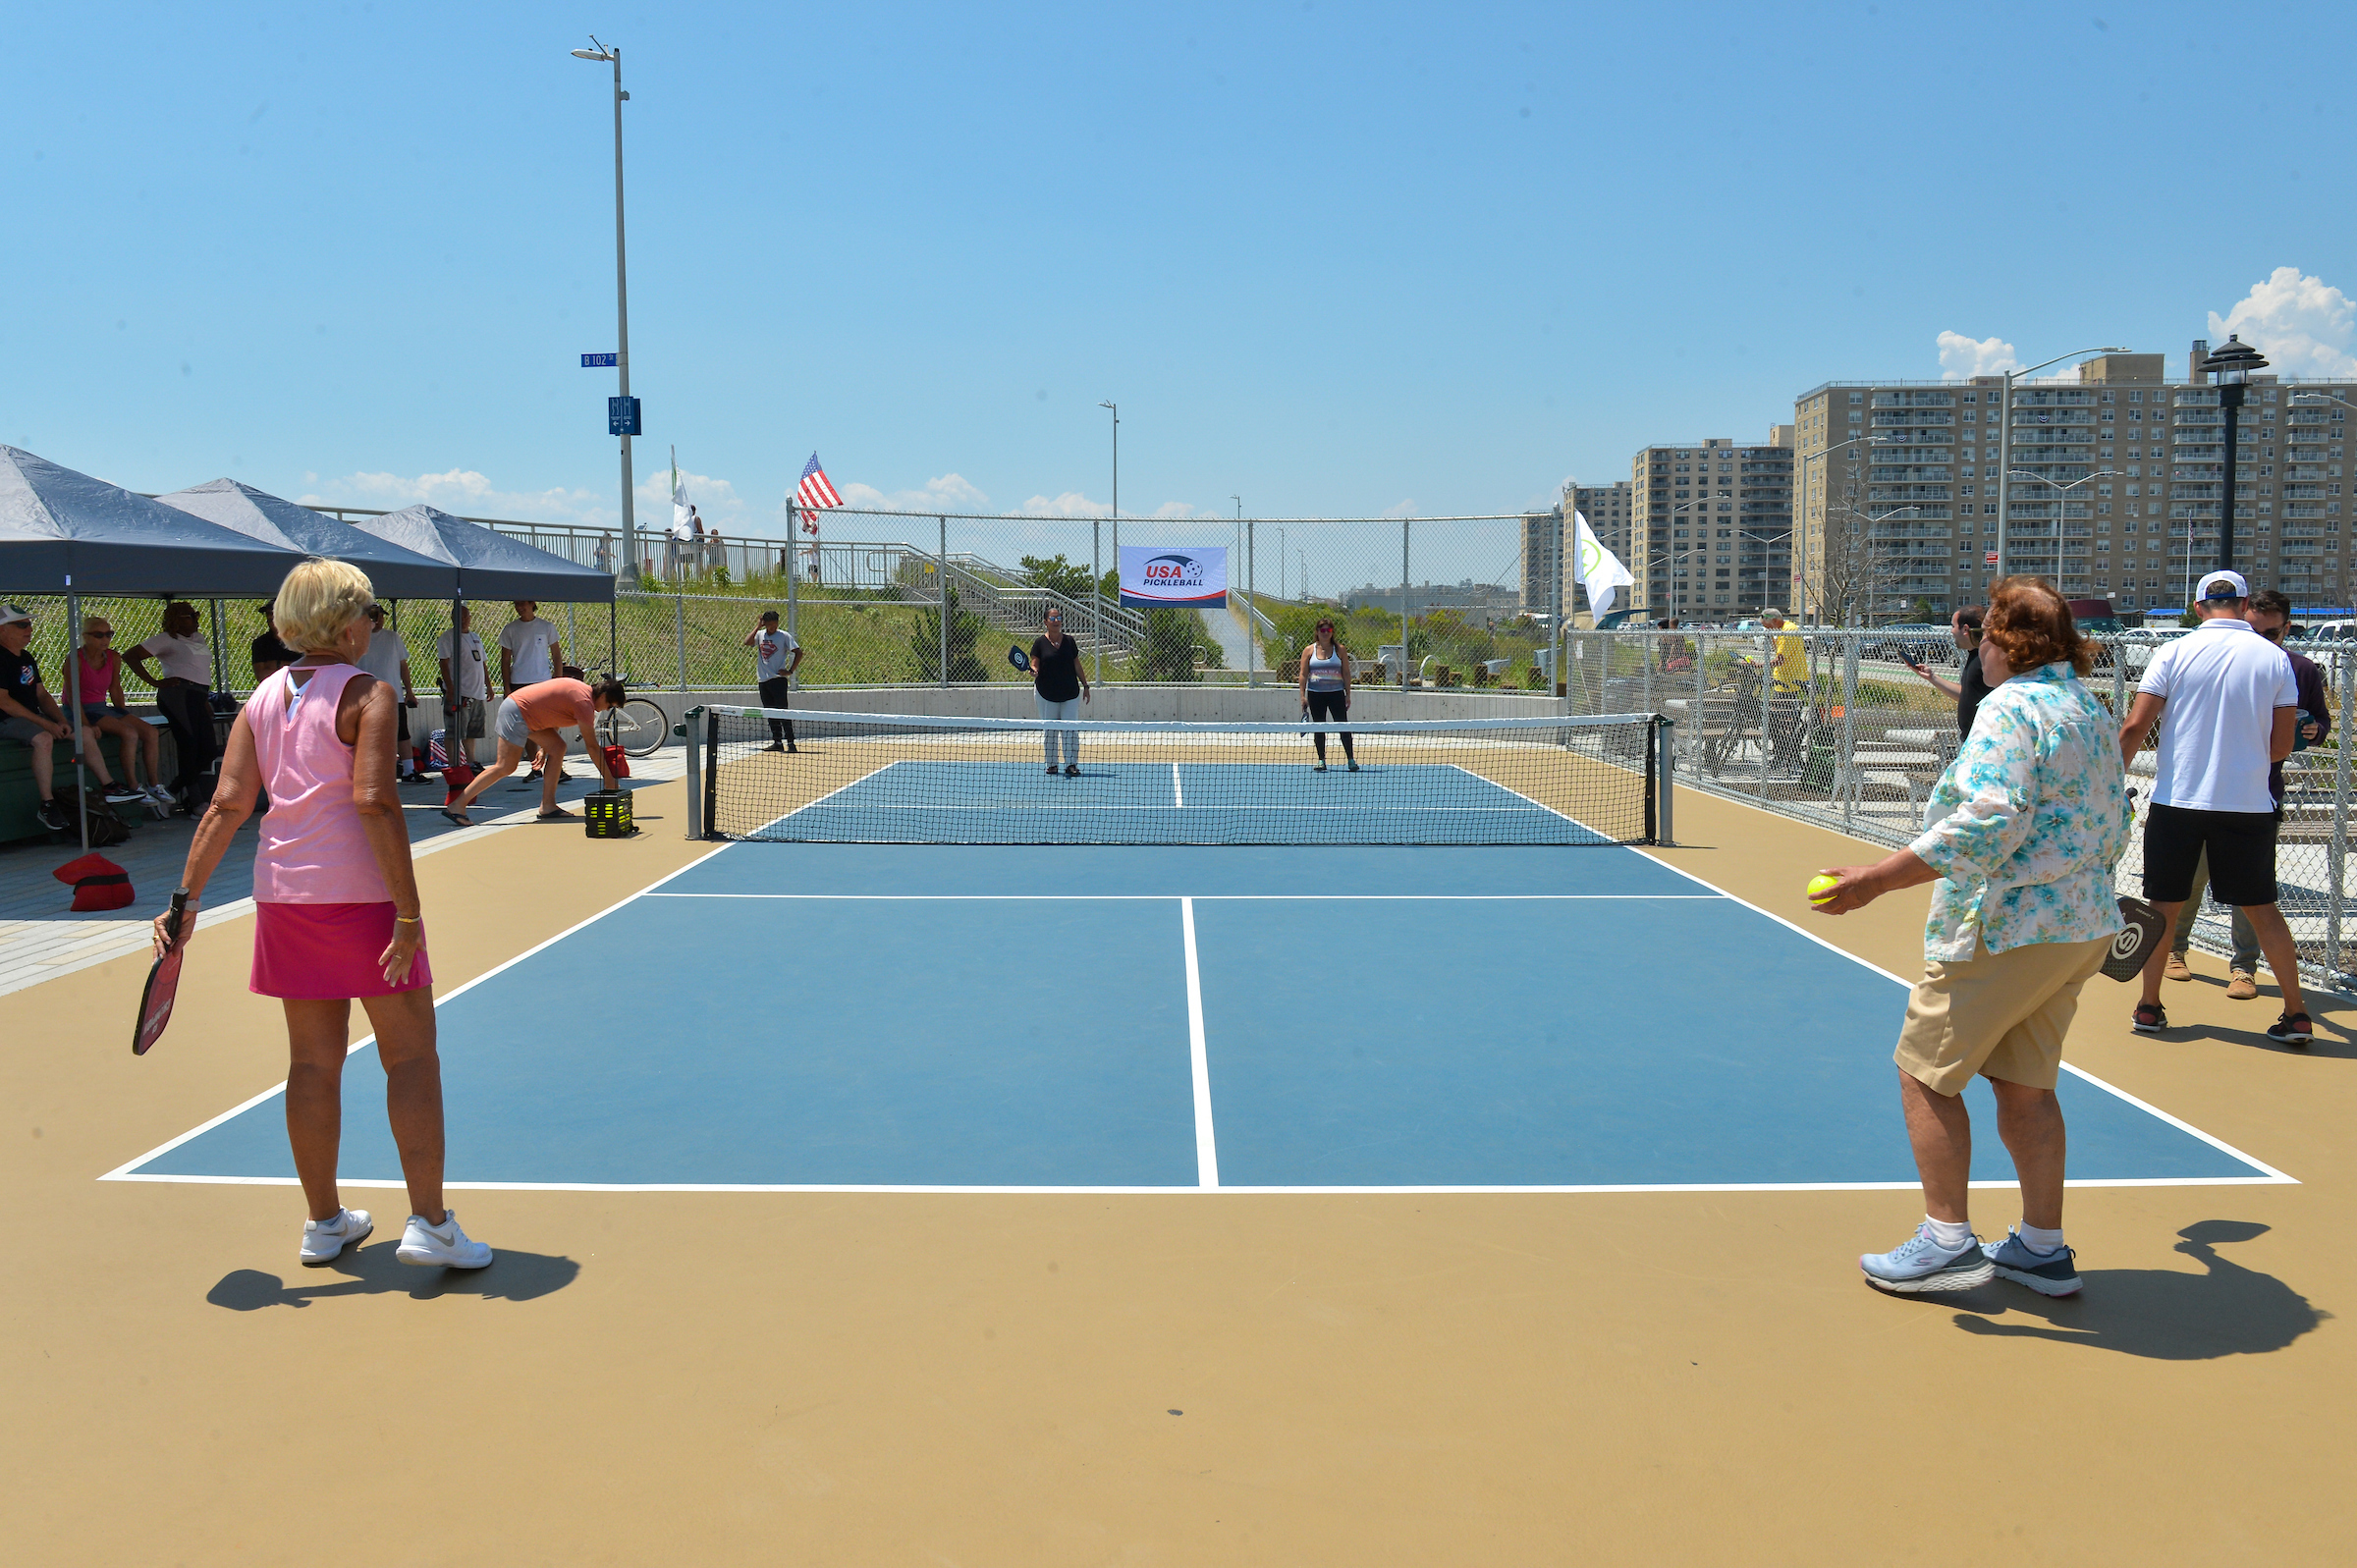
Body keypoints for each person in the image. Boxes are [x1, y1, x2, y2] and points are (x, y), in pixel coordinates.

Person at [156, 557, 491, 1270]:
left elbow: (226, 805)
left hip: (285, 900)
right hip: (364, 903)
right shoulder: (369, 693)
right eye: (371, 612)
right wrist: (408, 912)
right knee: (411, 1058)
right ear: (346, 624)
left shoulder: (260, 699)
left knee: (311, 1062)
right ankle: (430, 1224)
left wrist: (183, 902)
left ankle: (323, 1221)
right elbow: (374, 798)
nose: (376, 623)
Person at [1814, 577, 2128, 1299]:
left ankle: (1947, 1241)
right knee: (2026, 1085)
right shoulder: (2087, 704)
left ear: (2003, 642)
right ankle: (2041, 1249)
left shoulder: (2009, 708)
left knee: (1924, 1071)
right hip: (2078, 925)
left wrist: (1874, 880)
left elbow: (1988, 820)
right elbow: (2116, 815)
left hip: (2008, 923)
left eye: (1985, 632)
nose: (1978, 646)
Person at [2118, 569, 2313, 1045]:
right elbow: (2281, 744)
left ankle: (2149, 1006)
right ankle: (2296, 1014)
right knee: (2262, 908)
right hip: (2247, 804)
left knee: (2162, 905)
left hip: (2177, 800)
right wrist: (2241, 761)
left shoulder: (2172, 651)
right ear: (2245, 606)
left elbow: (2134, 728)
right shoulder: (2274, 659)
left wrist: (2108, 784)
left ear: (2199, 607)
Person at [2162, 588, 2331, 999]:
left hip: (2257, 793)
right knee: (2189, 878)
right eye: (2252, 630)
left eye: (2271, 634)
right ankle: (2174, 951)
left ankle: (2244, 968)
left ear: (2287, 629)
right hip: (2200, 791)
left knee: (2252, 891)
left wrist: (2314, 731)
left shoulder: (2298, 669)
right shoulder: (2221, 656)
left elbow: (2318, 722)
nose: (2259, 640)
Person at [441, 674, 623, 824]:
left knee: (557, 747)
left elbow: (554, 710)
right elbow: (592, 746)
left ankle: (548, 806)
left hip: (527, 712)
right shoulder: (584, 702)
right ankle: (457, 806)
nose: (605, 710)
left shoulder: (582, 692)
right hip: (517, 712)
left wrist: (545, 747)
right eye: (609, 706)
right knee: (505, 766)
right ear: (604, 696)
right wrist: (609, 780)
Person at [125, 600, 216, 814]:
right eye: (189, 616)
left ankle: (171, 793)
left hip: (198, 696)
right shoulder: (165, 639)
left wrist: (204, 701)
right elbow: (130, 656)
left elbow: (199, 671)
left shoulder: (198, 638)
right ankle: (196, 803)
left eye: (195, 615)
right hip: (178, 694)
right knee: (189, 746)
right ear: (176, 620)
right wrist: (155, 682)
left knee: (209, 749)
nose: (195, 620)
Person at [0, 603, 79, 830]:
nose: (29, 628)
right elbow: (4, 702)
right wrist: (45, 723)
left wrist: (62, 721)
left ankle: (108, 789)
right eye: (22, 624)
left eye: (30, 623)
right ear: (2, 629)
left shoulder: (25, 656)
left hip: (28, 719)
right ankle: (47, 805)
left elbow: (41, 695)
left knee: (82, 734)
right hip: (5, 720)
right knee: (44, 739)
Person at [71, 616, 163, 806]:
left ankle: (154, 785)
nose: (105, 639)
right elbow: (72, 696)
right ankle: (133, 785)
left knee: (150, 732)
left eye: (109, 634)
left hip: (102, 707)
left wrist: (123, 713)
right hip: (83, 708)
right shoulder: (76, 659)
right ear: (85, 636)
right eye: (99, 635)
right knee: (129, 733)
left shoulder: (113, 657)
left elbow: (115, 688)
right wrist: (85, 723)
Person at [1899, 606, 1993, 744]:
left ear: (1965, 630)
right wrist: (1932, 677)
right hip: (1972, 740)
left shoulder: (1985, 659)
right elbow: (1967, 694)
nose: (1951, 631)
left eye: (1953, 626)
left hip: (1985, 740)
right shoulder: (1974, 656)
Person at [497, 601, 565, 781]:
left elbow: (557, 656)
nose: (520, 607)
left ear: (532, 604)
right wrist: (507, 687)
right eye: (516, 604)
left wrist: (557, 681)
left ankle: (555, 764)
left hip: (543, 682)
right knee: (527, 725)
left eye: (523, 604)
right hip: (519, 682)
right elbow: (505, 660)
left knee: (550, 723)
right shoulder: (510, 629)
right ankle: (535, 768)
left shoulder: (546, 626)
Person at [357, 603, 421, 782]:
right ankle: (373, 771)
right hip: (366, 695)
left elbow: (403, 665)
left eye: (380, 616)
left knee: (402, 732)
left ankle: (409, 770)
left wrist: (409, 691)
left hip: (394, 694)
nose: (378, 620)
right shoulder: (358, 637)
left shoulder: (393, 637)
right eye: (374, 616)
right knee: (370, 734)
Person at [1030, 608, 1090, 777]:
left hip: (1070, 693)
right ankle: (1052, 764)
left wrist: (1086, 686)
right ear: (1046, 622)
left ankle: (1071, 764)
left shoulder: (1070, 642)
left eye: (1058, 617)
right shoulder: (1039, 643)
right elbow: (1035, 663)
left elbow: (1077, 664)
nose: (1056, 620)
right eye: (1052, 618)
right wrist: (1034, 670)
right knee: (1050, 730)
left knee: (1070, 730)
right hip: (1046, 693)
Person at [1295, 617, 1357, 772]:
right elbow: (1303, 674)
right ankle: (1321, 760)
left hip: (1336, 693)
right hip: (1316, 694)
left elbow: (1346, 673)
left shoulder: (1340, 649)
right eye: (1322, 630)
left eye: (1328, 630)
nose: (1325, 633)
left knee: (1343, 725)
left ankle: (1350, 759)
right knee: (1319, 726)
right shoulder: (1309, 651)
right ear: (1317, 632)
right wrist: (1302, 695)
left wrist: (1348, 694)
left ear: (1332, 632)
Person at [435, 604, 490, 767]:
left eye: (466, 617)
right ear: (453, 619)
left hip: (477, 691)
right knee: (454, 731)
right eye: (460, 617)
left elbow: (482, 662)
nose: (464, 620)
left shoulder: (475, 637)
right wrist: (451, 689)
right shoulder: (448, 638)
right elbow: (444, 664)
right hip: (460, 692)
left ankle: (471, 760)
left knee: (472, 731)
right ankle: (454, 764)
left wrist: (489, 685)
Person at [744, 610, 802, 753]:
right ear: (765, 624)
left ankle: (791, 742)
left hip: (778, 680)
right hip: (763, 680)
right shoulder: (760, 635)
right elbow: (747, 642)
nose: (772, 627)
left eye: (775, 624)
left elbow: (799, 652)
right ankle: (777, 742)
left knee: (782, 711)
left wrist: (790, 671)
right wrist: (758, 626)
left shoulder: (783, 636)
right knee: (770, 712)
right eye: (769, 625)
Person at [250, 602, 298, 686]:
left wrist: (277, 664)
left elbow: (305, 670)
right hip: (272, 688)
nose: (269, 617)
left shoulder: (299, 641)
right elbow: (261, 675)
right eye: (268, 614)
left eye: (273, 613)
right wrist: (291, 666)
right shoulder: (261, 643)